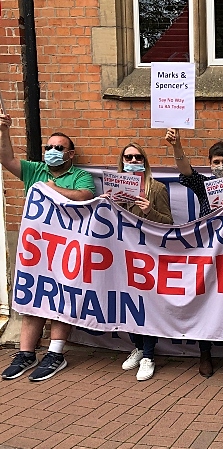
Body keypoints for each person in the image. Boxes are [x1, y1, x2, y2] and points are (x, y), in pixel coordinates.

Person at [0, 113, 96, 381]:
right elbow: (5, 159)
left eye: (59, 148)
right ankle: (26, 353)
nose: (52, 151)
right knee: (33, 298)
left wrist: (53, 189)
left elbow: (85, 197)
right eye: (49, 147)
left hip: (66, 251)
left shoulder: (80, 175)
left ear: (71, 154)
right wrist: (4, 131)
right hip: (36, 250)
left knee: (62, 299)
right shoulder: (35, 170)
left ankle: (55, 354)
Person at [165, 128, 223, 378]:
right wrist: (176, 146)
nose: (221, 166)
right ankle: (205, 352)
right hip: (205, 251)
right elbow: (185, 169)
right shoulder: (203, 184)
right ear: (210, 164)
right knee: (205, 302)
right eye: (216, 162)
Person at [113, 143, 173, 381]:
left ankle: (149, 355)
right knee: (126, 303)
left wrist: (150, 211)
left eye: (138, 157)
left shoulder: (156, 188)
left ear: (145, 162)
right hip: (120, 254)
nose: (133, 161)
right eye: (128, 157)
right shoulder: (114, 187)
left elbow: (169, 223)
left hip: (147, 255)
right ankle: (138, 346)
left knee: (146, 305)